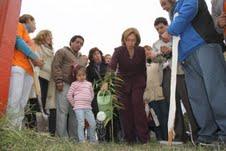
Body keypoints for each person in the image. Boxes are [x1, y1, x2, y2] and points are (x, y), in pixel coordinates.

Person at [161, 0, 226, 145]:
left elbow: (188, 12)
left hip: (205, 46)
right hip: (187, 57)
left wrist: (170, 30)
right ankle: (208, 135)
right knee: (198, 98)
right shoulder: (174, 9)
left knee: (217, 91)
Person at [110, 28, 150, 144]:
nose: (130, 43)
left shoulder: (141, 51)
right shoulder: (118, 51)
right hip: (122, 84)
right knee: (125, 111)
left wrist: (144, 84)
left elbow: (143, 69)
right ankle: (129, 139)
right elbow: (112, 67)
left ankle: (143, 138)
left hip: (138, 82)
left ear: (137, 40)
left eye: (133, 40)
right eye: (128, 40)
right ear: (124, 40)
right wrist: (106, 82)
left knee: (138, 108)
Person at [6, 14, 43, 130]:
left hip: (29, 71)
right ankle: (9, 128)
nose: (35, 26)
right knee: (14, 99)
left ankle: (17, 129)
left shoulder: (30, 39)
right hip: (18, 66)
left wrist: (38, 60)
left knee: (22, 102)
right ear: (28, 20)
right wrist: (34, 57)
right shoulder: (19, 26)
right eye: (34, 22)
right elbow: (17, 41)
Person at [52, 35, 87, 139]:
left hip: (76, 87)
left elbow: (82, 73)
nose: (79, 45)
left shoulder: (81, 57)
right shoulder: (62, 51)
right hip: (64, 84)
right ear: (71, 42)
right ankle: (62, 138)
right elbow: (56, 66)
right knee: (63, 111)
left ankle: (74, 138)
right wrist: (59, 81)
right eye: (77, 42)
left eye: (81, 44)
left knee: (74, 113)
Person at [32, 30, 56, 135]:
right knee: (36, 102)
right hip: (38, 76)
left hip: (48, 79)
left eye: (51, 37)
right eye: (49, 36)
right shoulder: (37, 45)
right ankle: (32, 128)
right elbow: (38, 62)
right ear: (42, 36)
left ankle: (40, 130)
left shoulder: (51, 50)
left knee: (43, 104)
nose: (51, 38)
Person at [143, 45, 169, 141]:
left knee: (165, 114)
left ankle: (168, 136)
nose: (147, 52)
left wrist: (157, 54)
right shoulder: (142, 66)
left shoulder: (158, 61)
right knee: (155, 117)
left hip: (159, 93)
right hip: (149, 96)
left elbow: (165, 61)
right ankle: (160, 137)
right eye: (144, 51)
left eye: (148, 50)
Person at [67, 65, 96, 143]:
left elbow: (92, 94)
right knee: (81, 124)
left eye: (83, 75)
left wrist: (89, 100)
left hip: (88, 107)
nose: (82, 77)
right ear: (76, 76)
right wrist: (74, 105)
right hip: (78, 108)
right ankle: (81, 141)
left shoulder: (89, 84)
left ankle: (92, 140)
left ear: (86, 75)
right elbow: (69, 95)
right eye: (79, 75)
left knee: (92, 123)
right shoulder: (74, 84)